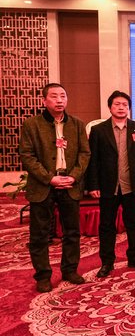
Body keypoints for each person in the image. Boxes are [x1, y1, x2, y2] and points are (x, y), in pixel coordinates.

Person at [19, 83, 90, 293]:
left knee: (72, 232)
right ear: (44, 101)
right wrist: (50, 178)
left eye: (63, 96)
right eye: (54, 96)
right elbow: (27, 156)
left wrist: (74, 176)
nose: (59, 100)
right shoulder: (31, 125)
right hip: (44, 185)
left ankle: (70, 270)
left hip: (69, 184)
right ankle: (43, 276)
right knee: (39, 234)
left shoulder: (77, 124)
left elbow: (85, 154)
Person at [87, 90, 135, 278]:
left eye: (124, 105)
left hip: (132, 185)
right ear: (110, 107)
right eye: (117, 104)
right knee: (107, 225)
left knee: (133, 223)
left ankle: (134, 258)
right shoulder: (99, 130)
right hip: (108, 186)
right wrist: (93, 185)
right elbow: (93, 160)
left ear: (129, 108)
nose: (121, 107)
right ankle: (107, 262)